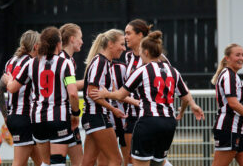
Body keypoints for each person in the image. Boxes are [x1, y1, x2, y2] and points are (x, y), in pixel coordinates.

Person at [90, 30, 205, 166]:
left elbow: (121, 95)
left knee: (138, 163)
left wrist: (106, 94)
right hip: (169, 124)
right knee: (157, 163)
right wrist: (183, 111)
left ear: (145, 52)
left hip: (148, 122)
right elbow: (186, 98)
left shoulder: (143, 70)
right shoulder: (173, 71)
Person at [5, 26, 80, 166]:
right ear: (59, 44)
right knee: (57, 161)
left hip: (37, 120)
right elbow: (73, 94)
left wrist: (9, 79)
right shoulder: (65, 63)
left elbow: (12, 88)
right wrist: (76, 113)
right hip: (58, 117)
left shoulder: (31, 63)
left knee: (45, 162)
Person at [124, 18, 173, 166]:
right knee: (131, 159)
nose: (125, 37)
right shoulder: (128, 56)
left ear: (140, 35)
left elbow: (168, 84)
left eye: (128, 33)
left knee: (155, 161)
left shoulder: (160, 59)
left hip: (149, 116)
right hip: (132, 115)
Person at [81, 29, 129, 166]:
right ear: (110, 44)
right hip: (97, 116)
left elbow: (106, 92)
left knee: (88, 161)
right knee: (116, 160)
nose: (124, 48)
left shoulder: (104, 62)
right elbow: (92, 92)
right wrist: (113, 109)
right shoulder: (101, 62)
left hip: (93, 116)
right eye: (121, 44)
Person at [0, 30, 42, 166]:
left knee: (43, 162)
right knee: (19, 163)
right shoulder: (32, 63)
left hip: (15, 117)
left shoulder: (11, 61)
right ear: (36, 46)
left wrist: (5, 116)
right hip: (25, 117)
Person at [59, 23, 84, 166]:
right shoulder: (64, 60)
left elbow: (68, 85)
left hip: (51, 116)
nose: (82, 41)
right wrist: (90, 82)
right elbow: (71, 90)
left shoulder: (66, 59)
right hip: (64, 116)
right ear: (72, 39)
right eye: (80, 38)